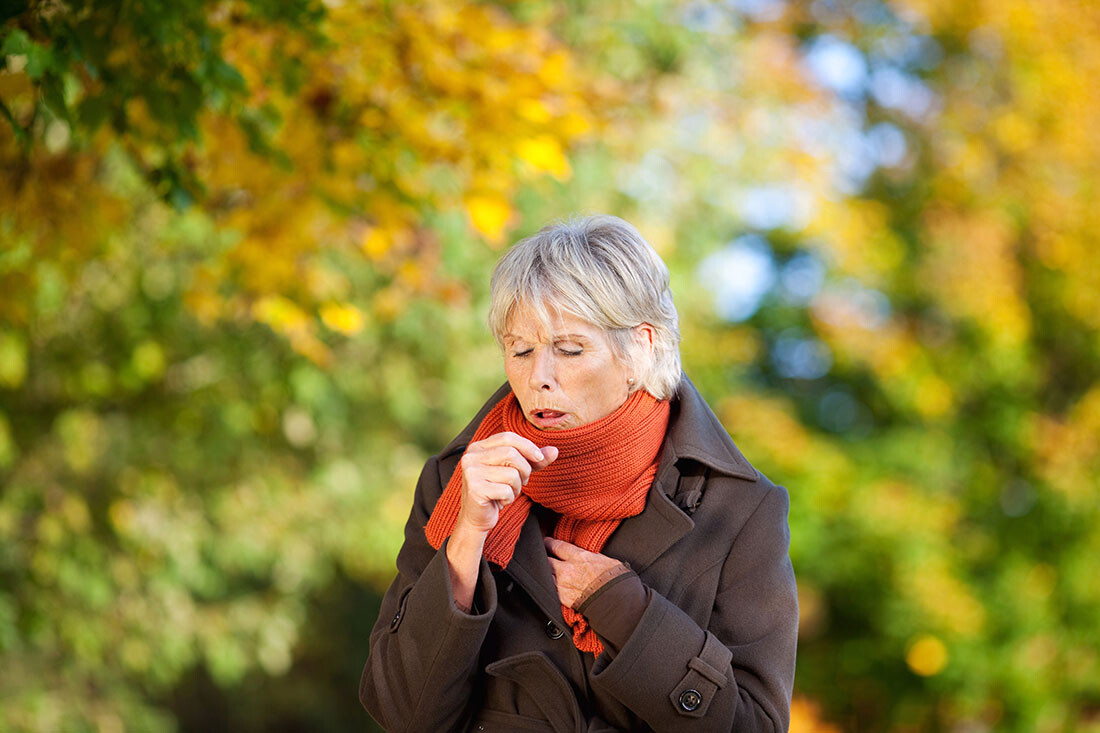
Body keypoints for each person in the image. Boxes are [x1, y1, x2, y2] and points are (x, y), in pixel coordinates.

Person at [359, 215, 798, 732]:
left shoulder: (740, 507)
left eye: (569, 350)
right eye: (520, 350)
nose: (538, 377)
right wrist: (466, 543)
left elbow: (754, 726)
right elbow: (402, 715)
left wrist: (626, 611)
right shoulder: (458, 482)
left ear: (642, 345)